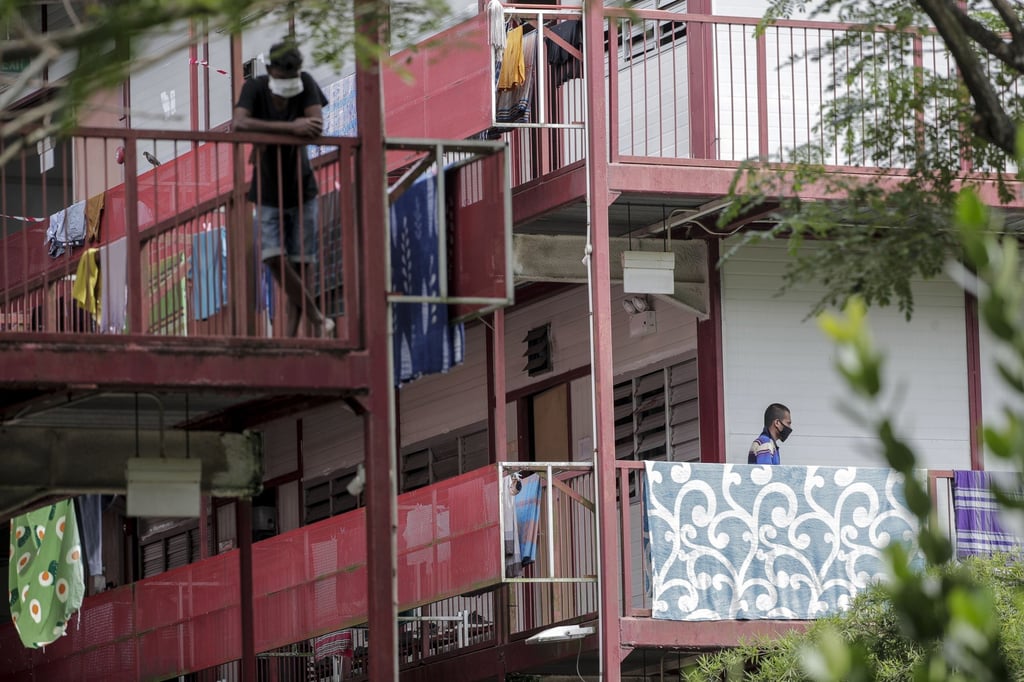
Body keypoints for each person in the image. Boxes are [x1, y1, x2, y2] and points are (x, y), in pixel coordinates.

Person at [233, 39, 332, 337]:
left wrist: (266, 129)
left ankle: (290, 337)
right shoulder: (256, 88)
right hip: (266, 190)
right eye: (283, 74)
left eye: (293, 74)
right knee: (273, 256)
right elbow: (239, 123)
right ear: (270, 69)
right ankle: (315, 315)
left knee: (303, 265)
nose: (289, 80)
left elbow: (316, 125)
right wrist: (292, 128)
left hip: (303, 187)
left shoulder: (306, 83)